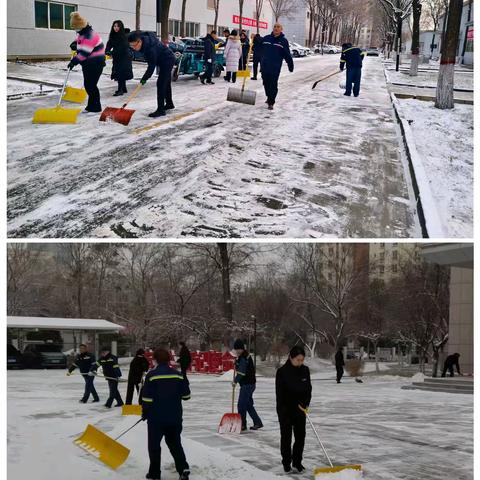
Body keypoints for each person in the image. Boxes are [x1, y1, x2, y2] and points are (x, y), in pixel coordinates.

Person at [141, 348, 191, 480]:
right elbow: (186, 396)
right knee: (175, 444)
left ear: (155, 360)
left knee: (154, 446)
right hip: (174, 417)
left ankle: (155, 474)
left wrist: (145, 413)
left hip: (156, 418)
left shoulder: (151, 375)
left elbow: (146, 398)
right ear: (169, 360)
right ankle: (183, 468)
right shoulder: (178, 374)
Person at [275, 346, 312, 474]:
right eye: (298, 360)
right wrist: (282, 411)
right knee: (286, 438)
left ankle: (297, 462)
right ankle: (286, 462)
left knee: (300, 437)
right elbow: (279, 394)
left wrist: (306, 404)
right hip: (286, 410)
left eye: (302, 360)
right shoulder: (282, 372)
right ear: (291, 357)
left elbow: (308, 389)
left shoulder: (305, 370)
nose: (300, 363)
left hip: (300, 409)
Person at [128, 31, 176, 118]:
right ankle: (169, 104)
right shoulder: (144, 42)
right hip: (164, 59)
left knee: (161, 84)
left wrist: (144, 79)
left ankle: (161, 110)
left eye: (134, 45)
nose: (133, 48)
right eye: (131, 46)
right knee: (166, 83)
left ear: (140, 41)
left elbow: (151, 67)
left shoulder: (150, 49)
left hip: (167, 60)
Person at [68, 12, 105, 113]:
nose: (75, 30)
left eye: (75, 27)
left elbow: (84, 53)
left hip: (96, 64)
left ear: (80, 26)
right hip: (88, 64)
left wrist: (73, 62)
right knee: (88, 85)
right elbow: (79, 40)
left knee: (91, 85)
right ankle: (91, 105)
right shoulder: (83, 32)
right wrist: (74, 43)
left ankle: (96, 106)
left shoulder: (90, 35)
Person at [260, 23, 294, 110]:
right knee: (265, 83)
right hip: (264, 66)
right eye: (275, 26)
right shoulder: (266, 38)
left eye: (278, 27)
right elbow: (258, 46)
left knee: (273, 84)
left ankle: (271, 102)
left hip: (275, 67)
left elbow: (287, 54)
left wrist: (290, 65)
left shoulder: (283, 41)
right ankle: (269, 96)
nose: (276, 28)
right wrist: (255, 38)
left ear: (281, 29)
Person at [232, 339, 263, 432]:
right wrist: (236, 363)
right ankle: (258, 422)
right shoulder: (243, 357)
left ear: (242, 349)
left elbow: (241, 372)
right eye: (236, 349)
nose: (237, 351)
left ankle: (242, 425)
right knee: (248, 405)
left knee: (241, 405)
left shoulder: (243, 357)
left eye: (239, 349)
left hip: (247, 384)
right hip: (250, 384)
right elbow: (241, 367)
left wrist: (235, 381)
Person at [105, 20, 134, 96]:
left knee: (120, 73)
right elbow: (109, 44)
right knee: (119, 72)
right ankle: (123, 88)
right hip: (117, 57)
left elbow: (122, 48)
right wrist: (107, 50)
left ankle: (120, 90)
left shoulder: (123, 36)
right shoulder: (113, 35)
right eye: (114, 26)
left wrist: (112, 53)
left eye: (118, 26)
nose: (116, 28)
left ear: (121, 27)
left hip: (124, 57)